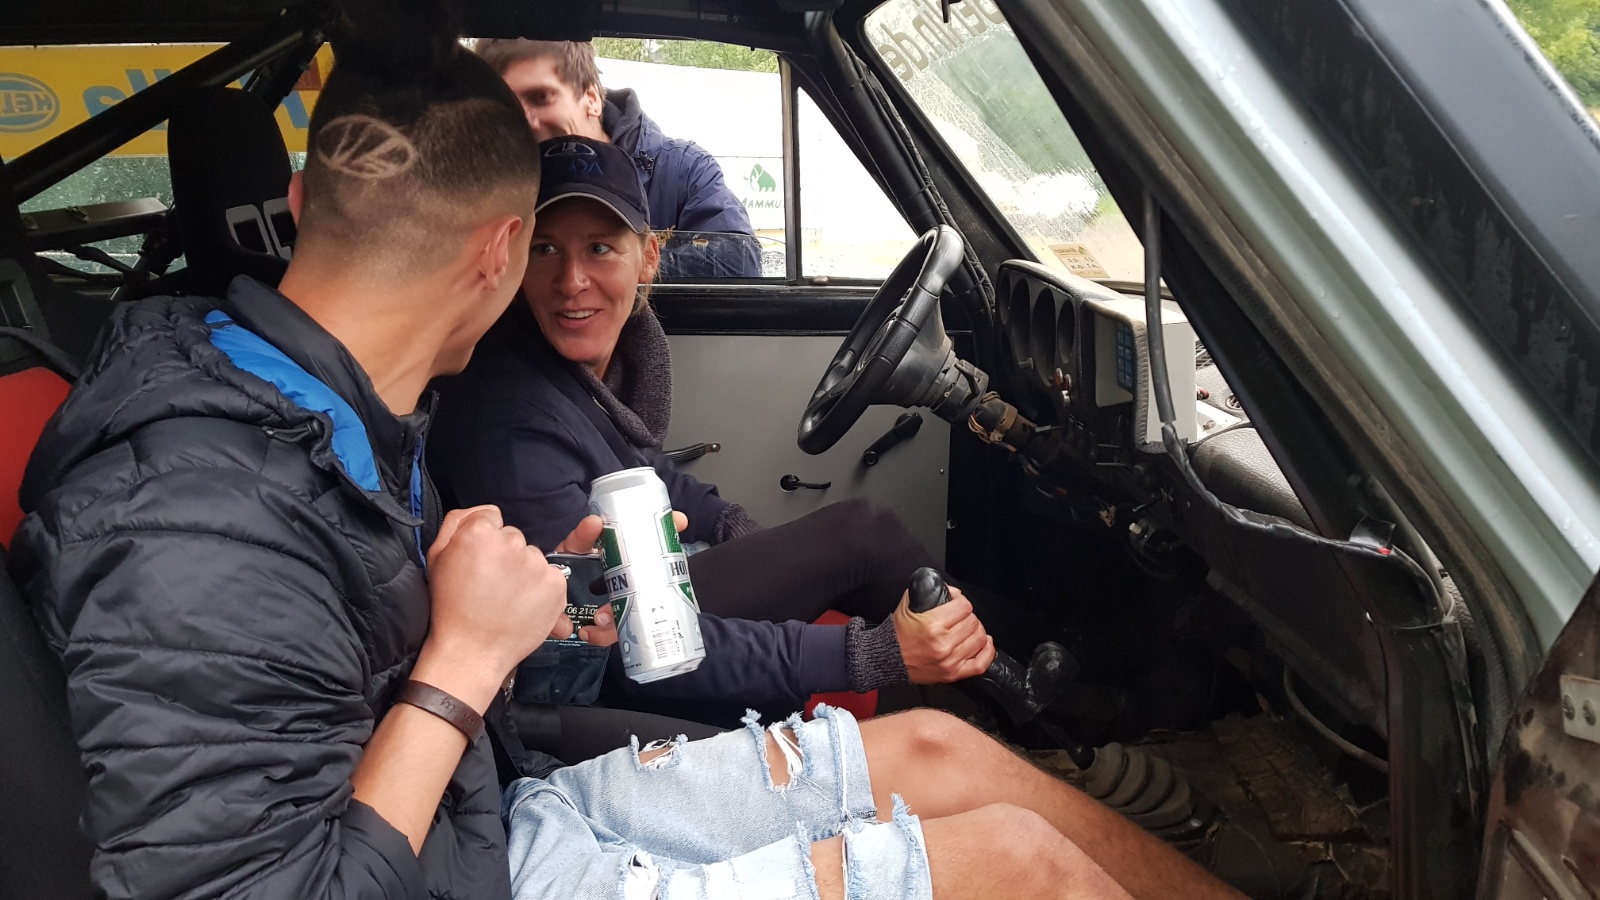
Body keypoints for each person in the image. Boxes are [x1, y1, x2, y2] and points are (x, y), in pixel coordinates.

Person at [7, 5, 1239, 899]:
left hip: (483, 815)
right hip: (477, 864)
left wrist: (547, 625)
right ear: (501, 253)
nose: (567, 277)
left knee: (942, 750)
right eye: (544, 250)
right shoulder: (197, 511)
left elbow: (351, 687)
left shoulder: (325, 411)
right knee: (1015, 866)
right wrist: (461, 659)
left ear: (297, 209)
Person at [429, 136, 1027, 730]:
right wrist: (864, 655)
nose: (571, 280)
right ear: (513, 261)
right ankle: (1028, 690)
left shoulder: (578, 371)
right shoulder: (507, 422)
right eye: (545, 249)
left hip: (632, 600)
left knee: (864, 538)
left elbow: (647, 473)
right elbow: (594, 636)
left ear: (648, 258)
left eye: (600, 248)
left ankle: (1020, 675)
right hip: (596, 661)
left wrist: (727, 524)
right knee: (863, 534)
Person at [475, 37, 764, 278]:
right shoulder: (488, 183)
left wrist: (624, 264)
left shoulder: (682, 169)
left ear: (592, 98)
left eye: (540, 97)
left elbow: (738, 260)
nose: (523, 120)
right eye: (506, 105)